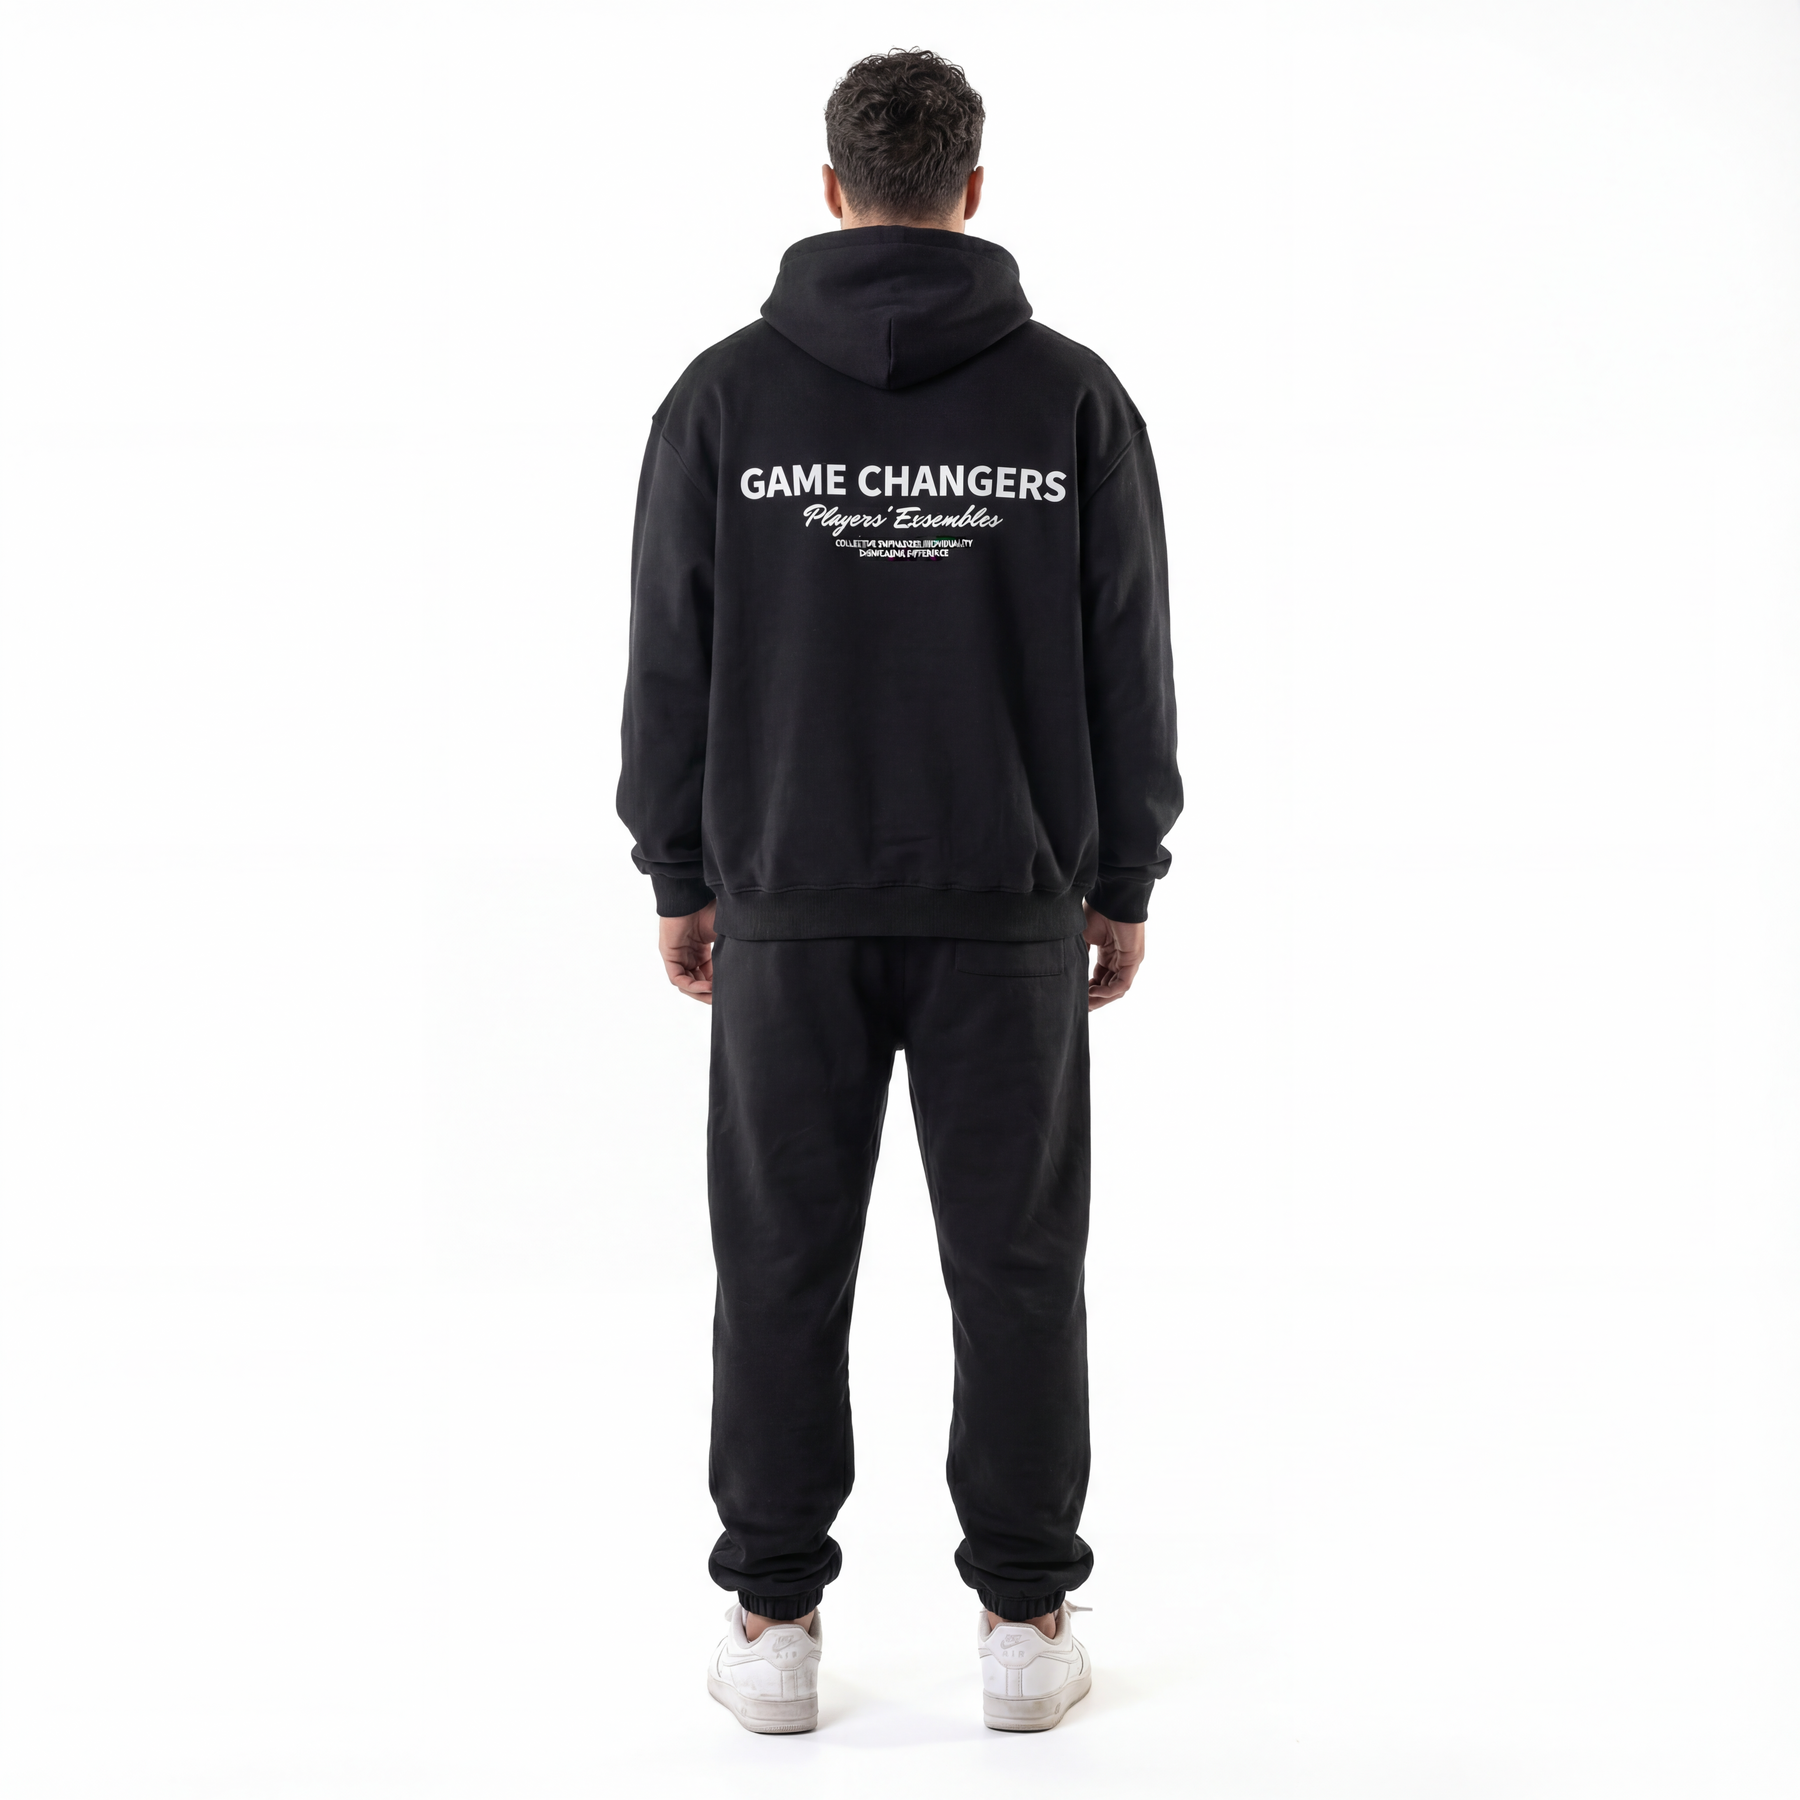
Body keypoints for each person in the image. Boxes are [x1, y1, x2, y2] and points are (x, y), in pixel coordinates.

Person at [617, 47, 1180, 1735]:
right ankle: (1024, 1622)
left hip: (785, 903)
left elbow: (668, 655)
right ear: (974, 191)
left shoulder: (723, 399)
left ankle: (772, 1626)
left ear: (831, 187)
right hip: (1011, 903)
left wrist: (679, 869)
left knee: (779, 1263)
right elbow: (1128, 656)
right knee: (1018, 1268)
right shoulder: (1070, 399)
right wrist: (1124, 873)